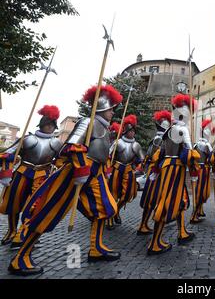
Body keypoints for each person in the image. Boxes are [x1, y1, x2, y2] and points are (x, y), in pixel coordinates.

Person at [8, 85, 123, 276]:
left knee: (106, 207)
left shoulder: (105, 127)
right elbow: (71, 146)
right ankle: (20, 258)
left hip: (96, 173)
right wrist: (81, 169)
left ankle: (96, 248)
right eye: (111, 109)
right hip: (77, 173)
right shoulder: (88, 121)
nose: (113, 112)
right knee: (48, 213)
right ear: (102, 108)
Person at [0, 106, 62, 247]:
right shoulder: (27, 139)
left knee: (35, 207)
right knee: (14, 204)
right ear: (41, 124)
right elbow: (8, 154)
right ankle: (11, 231)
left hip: (43, 176)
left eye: (52, 125)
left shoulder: (56, 143)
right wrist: (6, 173)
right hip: (23, 172)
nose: (50, 127)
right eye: (47, 124)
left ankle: (26, 232)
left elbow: (60, 161)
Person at [147, 94, 199, 255]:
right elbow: (190, 153)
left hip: (167, 167)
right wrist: (194, 171)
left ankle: (182, 231)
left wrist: (155, 170)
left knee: (181, 200)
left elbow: (161, 153)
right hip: (176, 169)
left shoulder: (168, 130)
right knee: (167, 202)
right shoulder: (183, 129)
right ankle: (155, 242)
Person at [137, 110, 172, 235]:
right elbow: (155, 156)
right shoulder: (160, 139)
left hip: (155, 170)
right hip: (156, 171)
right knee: (151, 199)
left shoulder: (156, 138)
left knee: (152, 199)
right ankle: (143, 225)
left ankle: (144, 224)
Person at [108, 115, 145, 229]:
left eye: (133, 131)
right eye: (130, 130)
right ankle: (109, 219)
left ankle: (116, 211)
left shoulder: (136, 145)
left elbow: (141, 160)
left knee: (127, 195)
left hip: (129, 171)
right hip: (116, 169)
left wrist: (138, 168)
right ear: (125, 131)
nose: (132, 133)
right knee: (113, 195)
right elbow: (109, 156)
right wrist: (108, 170)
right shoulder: (117, 142)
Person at [190, 119, 214, 224]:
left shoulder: (195, 145)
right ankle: (194, 215)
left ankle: (200, 210)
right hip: (203, 170)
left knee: (198, 192)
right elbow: (212, 158)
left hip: (196, 170)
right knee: (201, 192)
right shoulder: (207, 145)